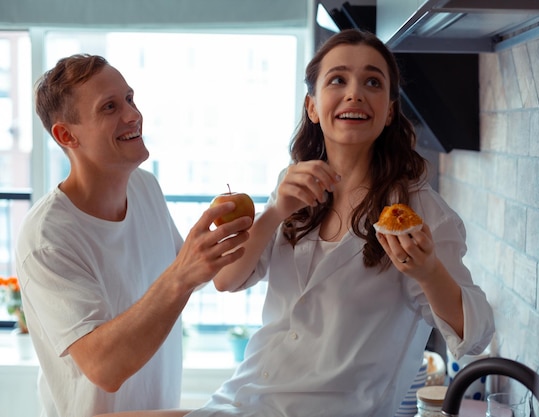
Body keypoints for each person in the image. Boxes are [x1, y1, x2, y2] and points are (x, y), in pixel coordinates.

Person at [96, 28, 495, 417]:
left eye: (373, 82)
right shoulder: (293, 187)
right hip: (244, 399)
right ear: (312, 106)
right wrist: (275, 211)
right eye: (337, 79)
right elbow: (228, 280)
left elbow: (476, 334)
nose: (355, 92)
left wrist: (428, 271)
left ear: (390, 110)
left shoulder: (420, 211)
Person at [15, 54, 252, 417]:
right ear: (66, 135)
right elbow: (105, 369)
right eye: (109, 107)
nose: (132, 115)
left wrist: (277, 214)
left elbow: (184, 278)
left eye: (129, 98)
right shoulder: (47, 238)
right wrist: (184, 273)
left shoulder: (144, 187)